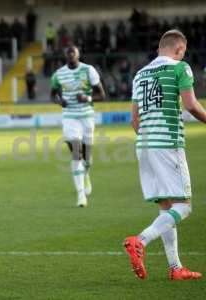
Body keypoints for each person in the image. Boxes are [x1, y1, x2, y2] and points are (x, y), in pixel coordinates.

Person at [124, 29, 206, 280]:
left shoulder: (140, 75)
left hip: (145, 146)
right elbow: (191, 105)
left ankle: (175, 268)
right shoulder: (180, 68)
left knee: (166, 207)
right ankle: (140, 240)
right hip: (167, 144)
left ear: (160, 47)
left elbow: (134, 121)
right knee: (184, 206)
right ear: (180, 50)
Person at [50, 45, 105, 207]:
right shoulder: (59, 74)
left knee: (87, 157)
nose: (70, 56)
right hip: (69, 118)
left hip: (87, 117)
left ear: (78, 54)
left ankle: (86, 173)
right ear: (65, 56)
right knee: (76, 153)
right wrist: (60, 101)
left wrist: (87, 98)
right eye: (68, 53)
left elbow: (101, 94)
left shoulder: (89, 70)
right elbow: (52, 95)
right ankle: (81, 195)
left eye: (73, 53)